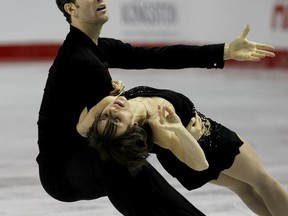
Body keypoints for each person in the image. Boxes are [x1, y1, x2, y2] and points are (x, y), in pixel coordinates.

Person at [37, 0, 275, 215]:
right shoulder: (83, 60)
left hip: (83, 153)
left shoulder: (95, 48)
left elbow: (154, 56)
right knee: (126, 166)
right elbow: (102, 129)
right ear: (71, 9)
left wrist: (223, 51)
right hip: (65, 170)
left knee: (128, 155)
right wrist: (175, 136)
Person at [79, 86, 288, 216]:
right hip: (208, 144)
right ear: (132, 128)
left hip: (180, 159)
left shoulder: (109, 105)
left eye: (105, 117)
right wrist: (180, 129)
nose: (112, 112)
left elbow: (81, 128)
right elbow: (200, 164)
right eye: (116, 121)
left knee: (243, 189)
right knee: (264, 182)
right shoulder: (158, 126)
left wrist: (101, 106)